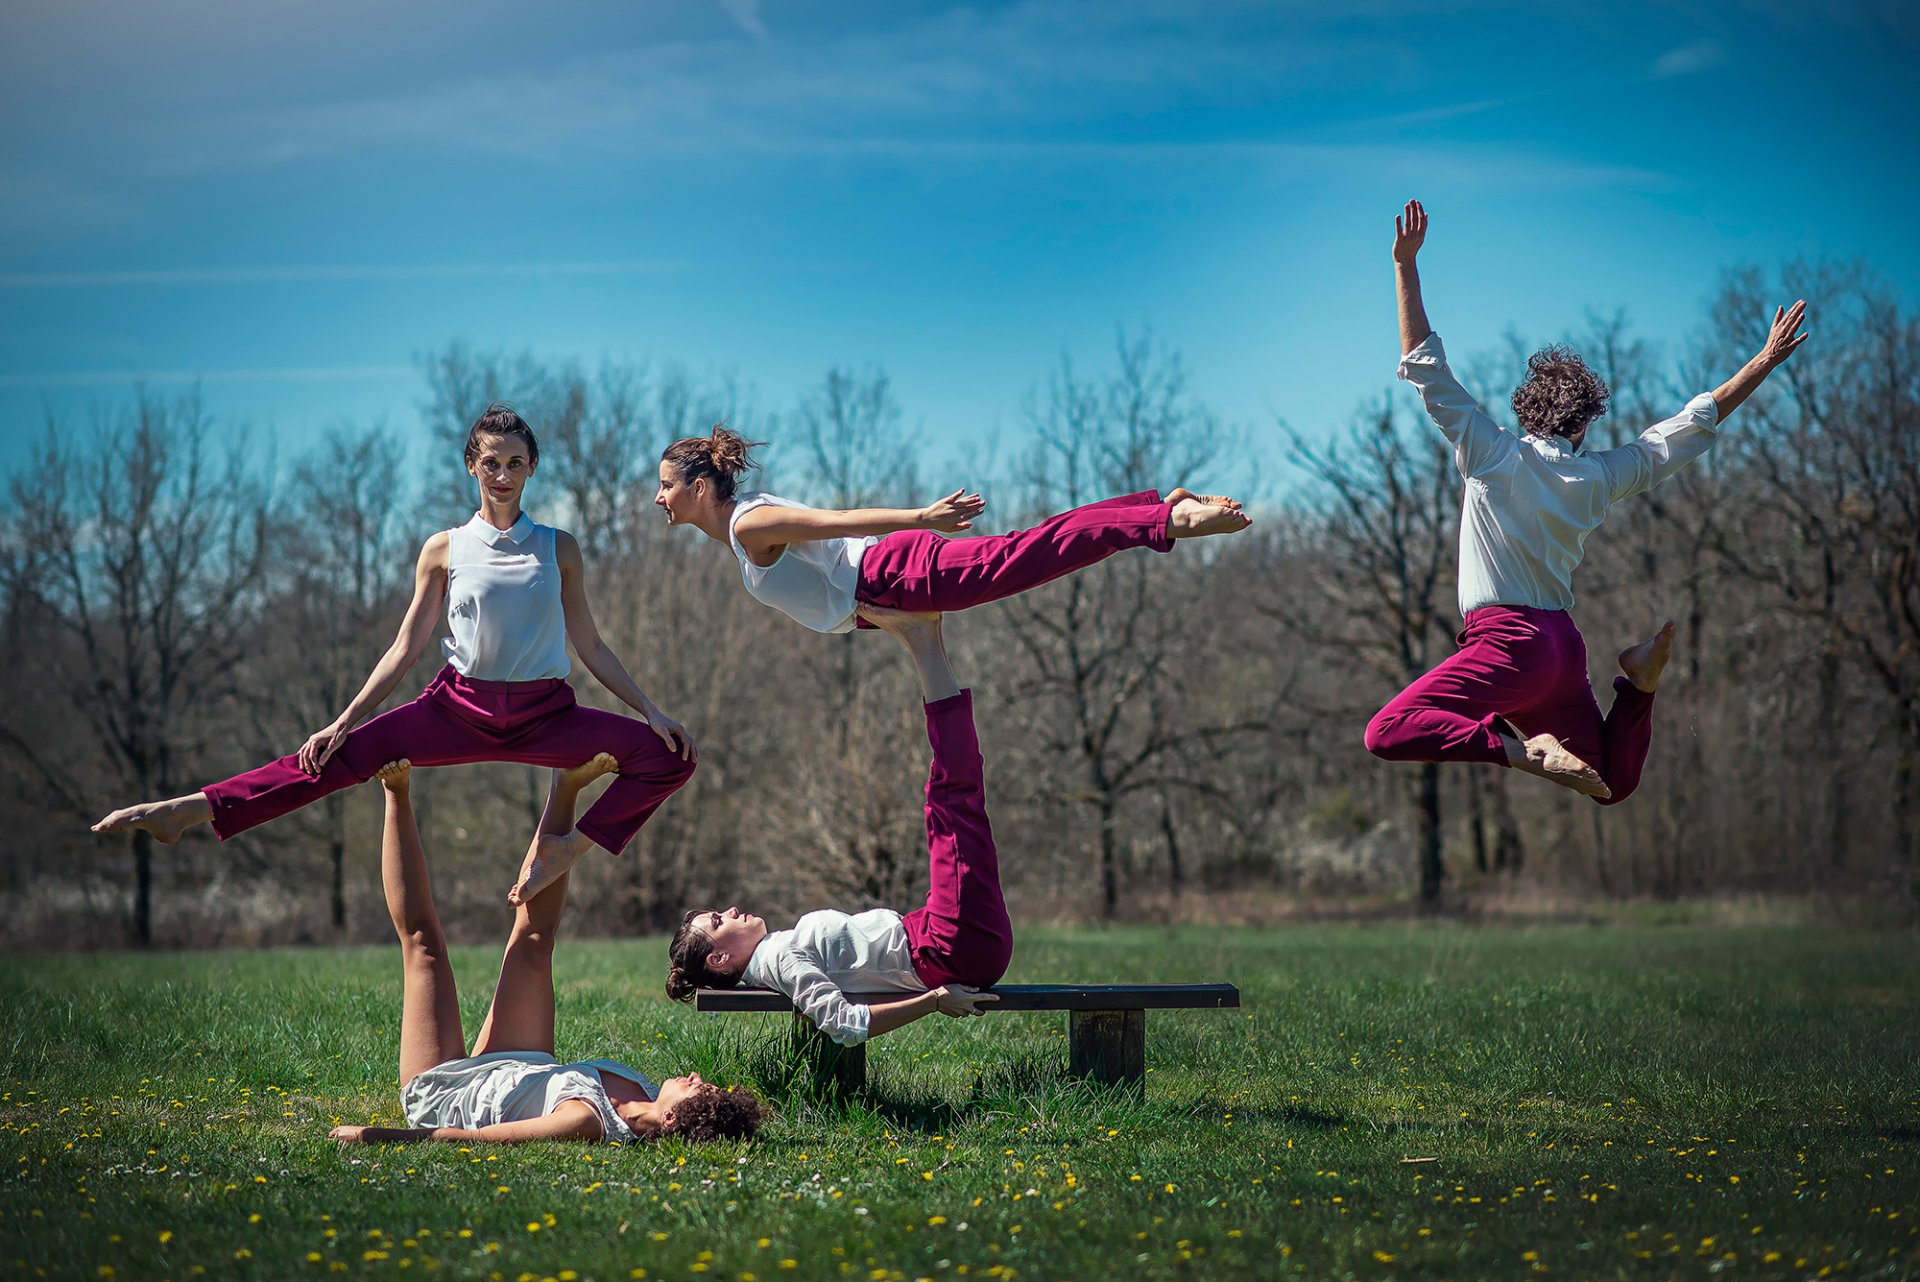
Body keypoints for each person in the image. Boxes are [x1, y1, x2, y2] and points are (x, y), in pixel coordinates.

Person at [91, 405, 696, 904]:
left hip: (547, 715)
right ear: (471, 466)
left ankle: (566, 847)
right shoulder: (445, 548)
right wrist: (344, 719)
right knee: (328, 758)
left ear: (532, 468)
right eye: (491, 463)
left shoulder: (558, 548)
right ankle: (188, 810)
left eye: (516, 463)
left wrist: (650, 710)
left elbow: (588, 642)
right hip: (458, 711)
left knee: (671, 755)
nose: (503, 475)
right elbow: (407, 644)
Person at [1366, 198, 1809, 801]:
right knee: (1610, 782)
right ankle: (1641, 683)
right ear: (1581, 427)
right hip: (1560, 649)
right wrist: (1761, 362)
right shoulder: (1597, 477)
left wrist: (1405, 265)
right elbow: (1679, 434)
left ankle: (1527, 755)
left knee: (1387, 731)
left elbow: (1424, 365)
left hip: (1505, 645)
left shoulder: (1491, 452)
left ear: (1527, 410)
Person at [329, 756, 765, 1145]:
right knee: (535, 939)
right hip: (522, 1066)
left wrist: (376, 1137)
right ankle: (566, 784)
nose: (696, 1076)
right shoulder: (647, 1092)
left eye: (697, 1087)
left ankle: (395, 791)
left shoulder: (583, 1122)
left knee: (425, 948)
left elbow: (470, 1138)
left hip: (451, 1093)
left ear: (671, 1119)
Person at [664, 608, 1006, 1047]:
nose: (730, 910)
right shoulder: (780, 959)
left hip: (941, 935)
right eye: (718, 919)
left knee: (953, 792)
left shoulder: (774, 955)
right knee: (952, 796)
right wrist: (935, 1001)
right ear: (720, 957)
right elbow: (845, 1025)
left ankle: (927, 638)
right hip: (947, 945)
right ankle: (924, 640)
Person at [651, 427, 1250, 637]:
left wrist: (920, 517)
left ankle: (1164, 520)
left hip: (893, 571)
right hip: (887, 584)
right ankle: (1152, 507)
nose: (659, 498)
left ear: (700, 487)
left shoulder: (749, 524)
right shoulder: (745, 525)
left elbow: (836, 522)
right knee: (1032, 546)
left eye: (667, 486)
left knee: (1032, 553)